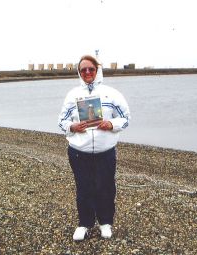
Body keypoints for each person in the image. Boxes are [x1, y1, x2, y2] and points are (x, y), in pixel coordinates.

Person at [58, 55, 130, 241]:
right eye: (83, 70)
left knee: (106, 187)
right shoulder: (72, 95)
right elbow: (61, 121)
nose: (87, 72)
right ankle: (84, 224)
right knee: (84, 188)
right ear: (79, 73)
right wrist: (72, 127)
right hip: (78, 152)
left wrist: (111, 124)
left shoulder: (112, 93)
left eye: (91, 69)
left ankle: (106, 223)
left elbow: (126, 118)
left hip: (105, 152)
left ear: (97, 70)